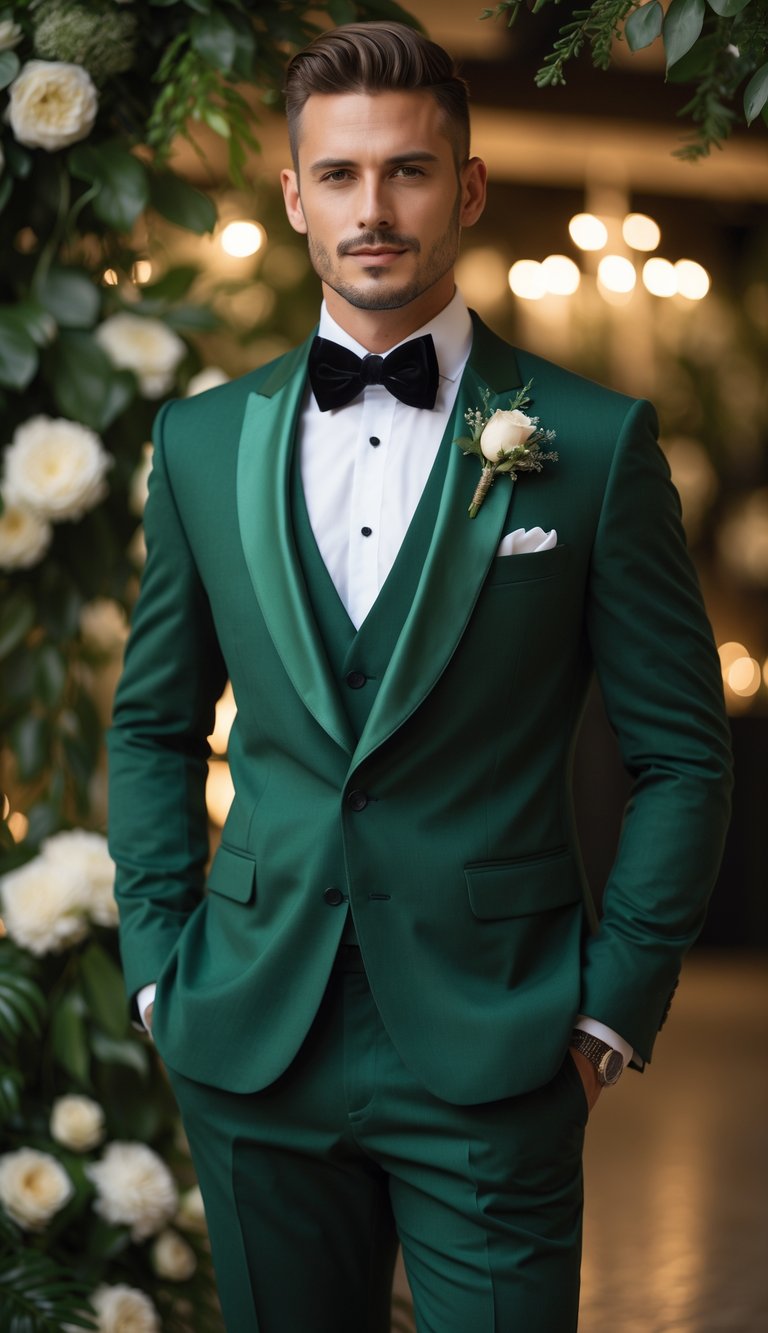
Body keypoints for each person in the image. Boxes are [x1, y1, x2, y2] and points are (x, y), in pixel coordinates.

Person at [107, 21, 732, 1332]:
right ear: (293, 196)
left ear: (470, 186)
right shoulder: (206, 443)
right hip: (252, 1034)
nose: (372, 209)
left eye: (407, 171)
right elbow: (155, 722)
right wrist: (164, 962)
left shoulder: (594, 444)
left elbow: (684, 754)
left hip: (498, 1045)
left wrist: (613, 1007)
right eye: (338, 175)